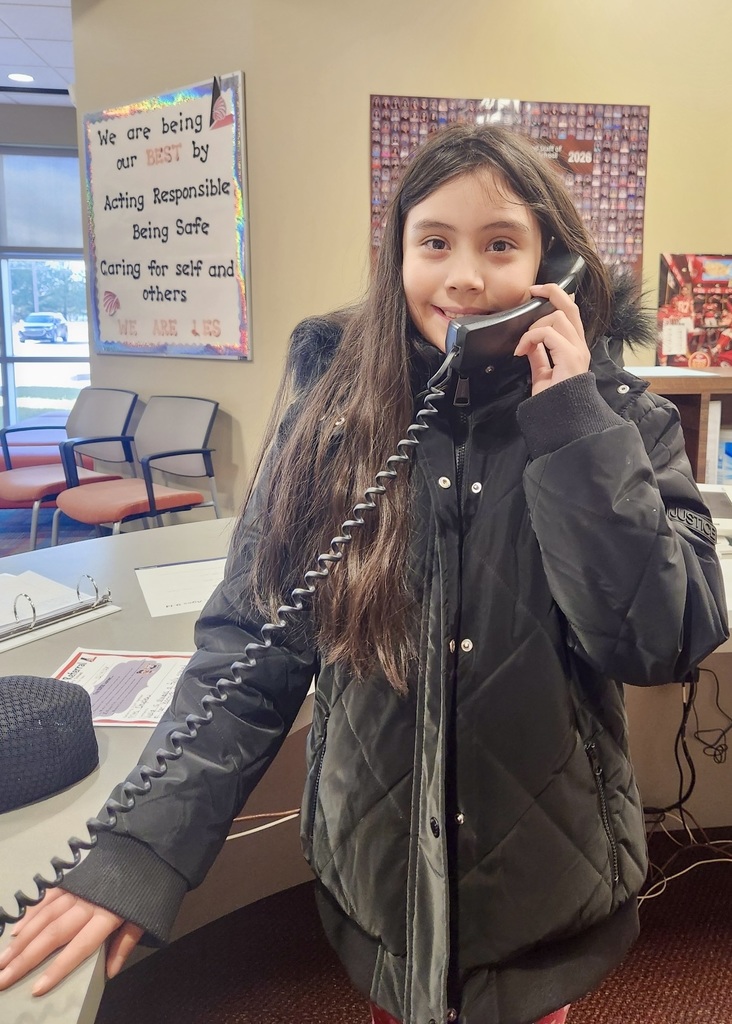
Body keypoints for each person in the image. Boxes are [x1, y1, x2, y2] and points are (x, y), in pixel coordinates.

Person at [0, 123, 727, 1024]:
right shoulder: (334, 423)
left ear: (556, 268)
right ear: (398, 259)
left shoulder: (623, 423)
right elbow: (249, 655)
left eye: (500, 244)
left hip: (546, 885)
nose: (464, 276)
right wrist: (137, 851)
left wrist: (572, 423)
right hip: (379, 879)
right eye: (435, 243)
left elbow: (660, 638)